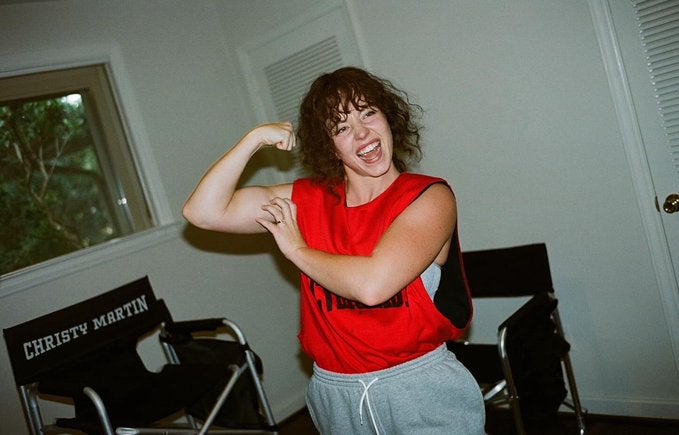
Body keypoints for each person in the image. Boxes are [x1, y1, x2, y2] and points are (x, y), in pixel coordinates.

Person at [183, 67, 485, 434]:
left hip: (418, 387)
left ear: (389, 117)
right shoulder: (307, 200)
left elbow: (372, 287)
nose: (361, 133)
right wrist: (253, 140)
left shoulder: (429, 197)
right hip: (335, 393)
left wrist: (297, 250)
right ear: (330, 146)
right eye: (341, 128)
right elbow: (203, 212)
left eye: (368, 113)